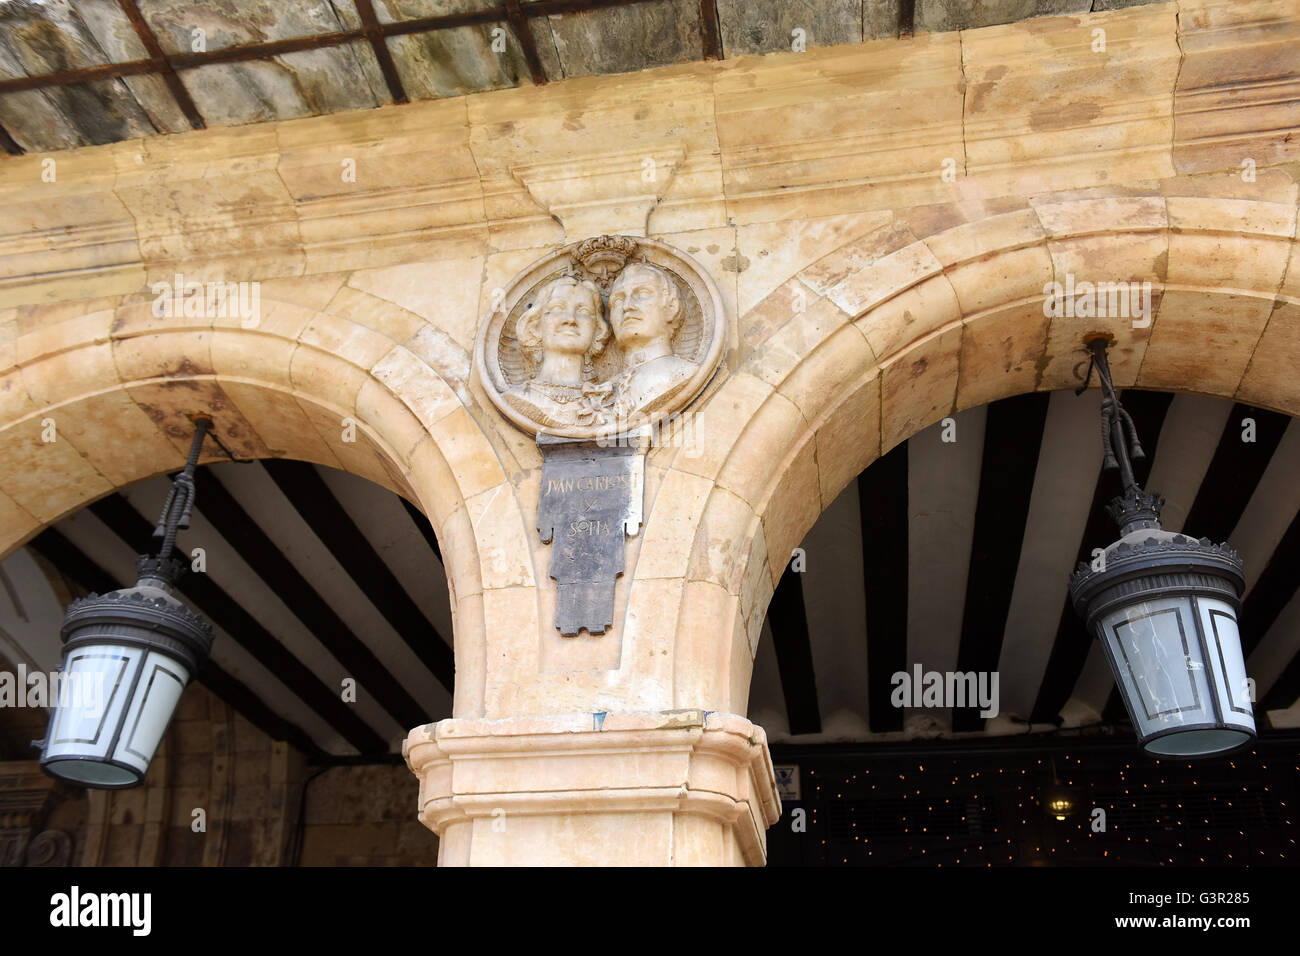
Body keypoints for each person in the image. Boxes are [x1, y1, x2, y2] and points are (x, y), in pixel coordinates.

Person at [504, 275, 614, 429]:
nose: (570, 319)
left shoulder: (608, 400)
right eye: (557, 309)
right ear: (535, 326)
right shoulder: (518, 397)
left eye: (583, 311)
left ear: (597, 330)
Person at [606, 262, 696, 419]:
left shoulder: (684, 373)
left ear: (671, 307)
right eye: (618, 300)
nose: (627, 306)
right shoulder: (606, 388)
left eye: (642, 294)